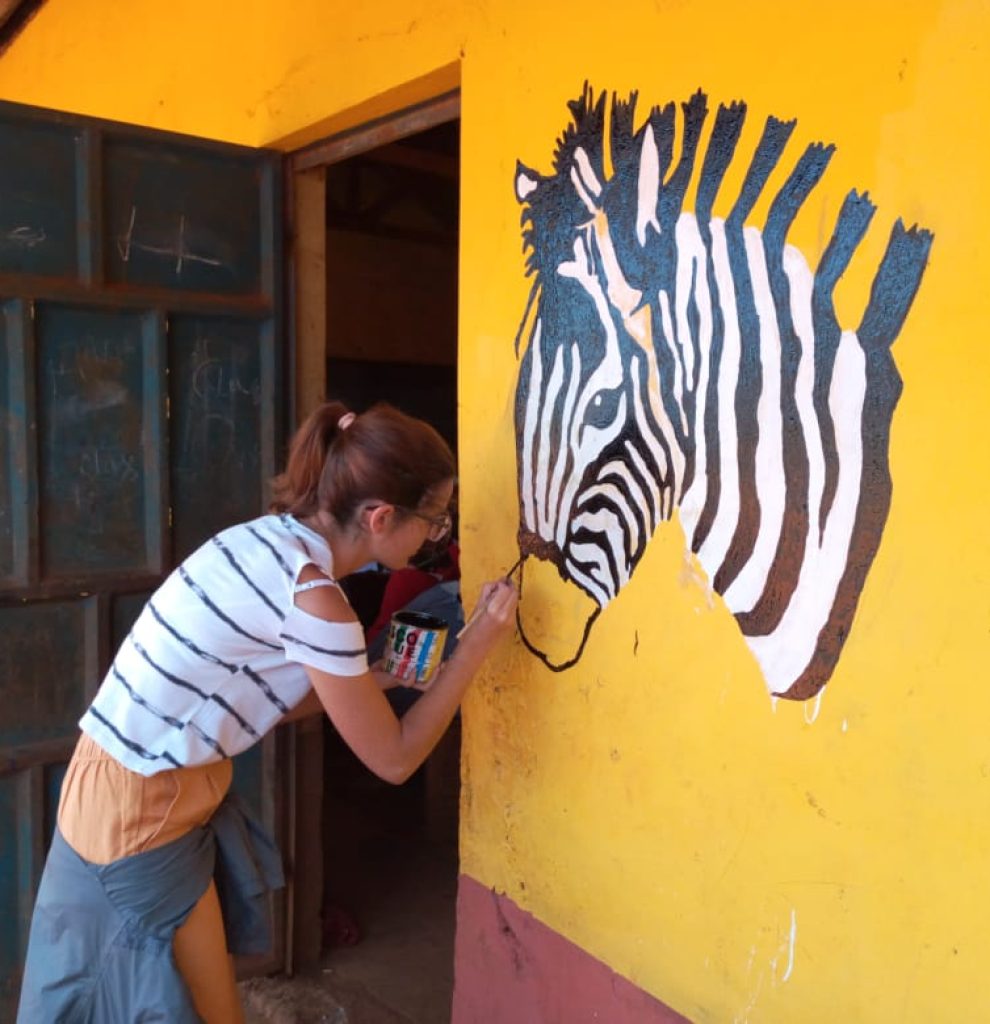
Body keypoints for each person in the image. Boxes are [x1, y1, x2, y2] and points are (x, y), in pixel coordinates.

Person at [16, 400, 518, 1023]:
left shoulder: (265, 543)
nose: (437, 537)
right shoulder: (317, 600)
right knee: (148, 1007)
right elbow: (394, 760)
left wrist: (374, 678)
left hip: (128, 795)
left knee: (187, 1006)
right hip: (137, 818)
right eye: (435, 522)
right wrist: (475, 648)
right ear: (382, 517)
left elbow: (251, 699)